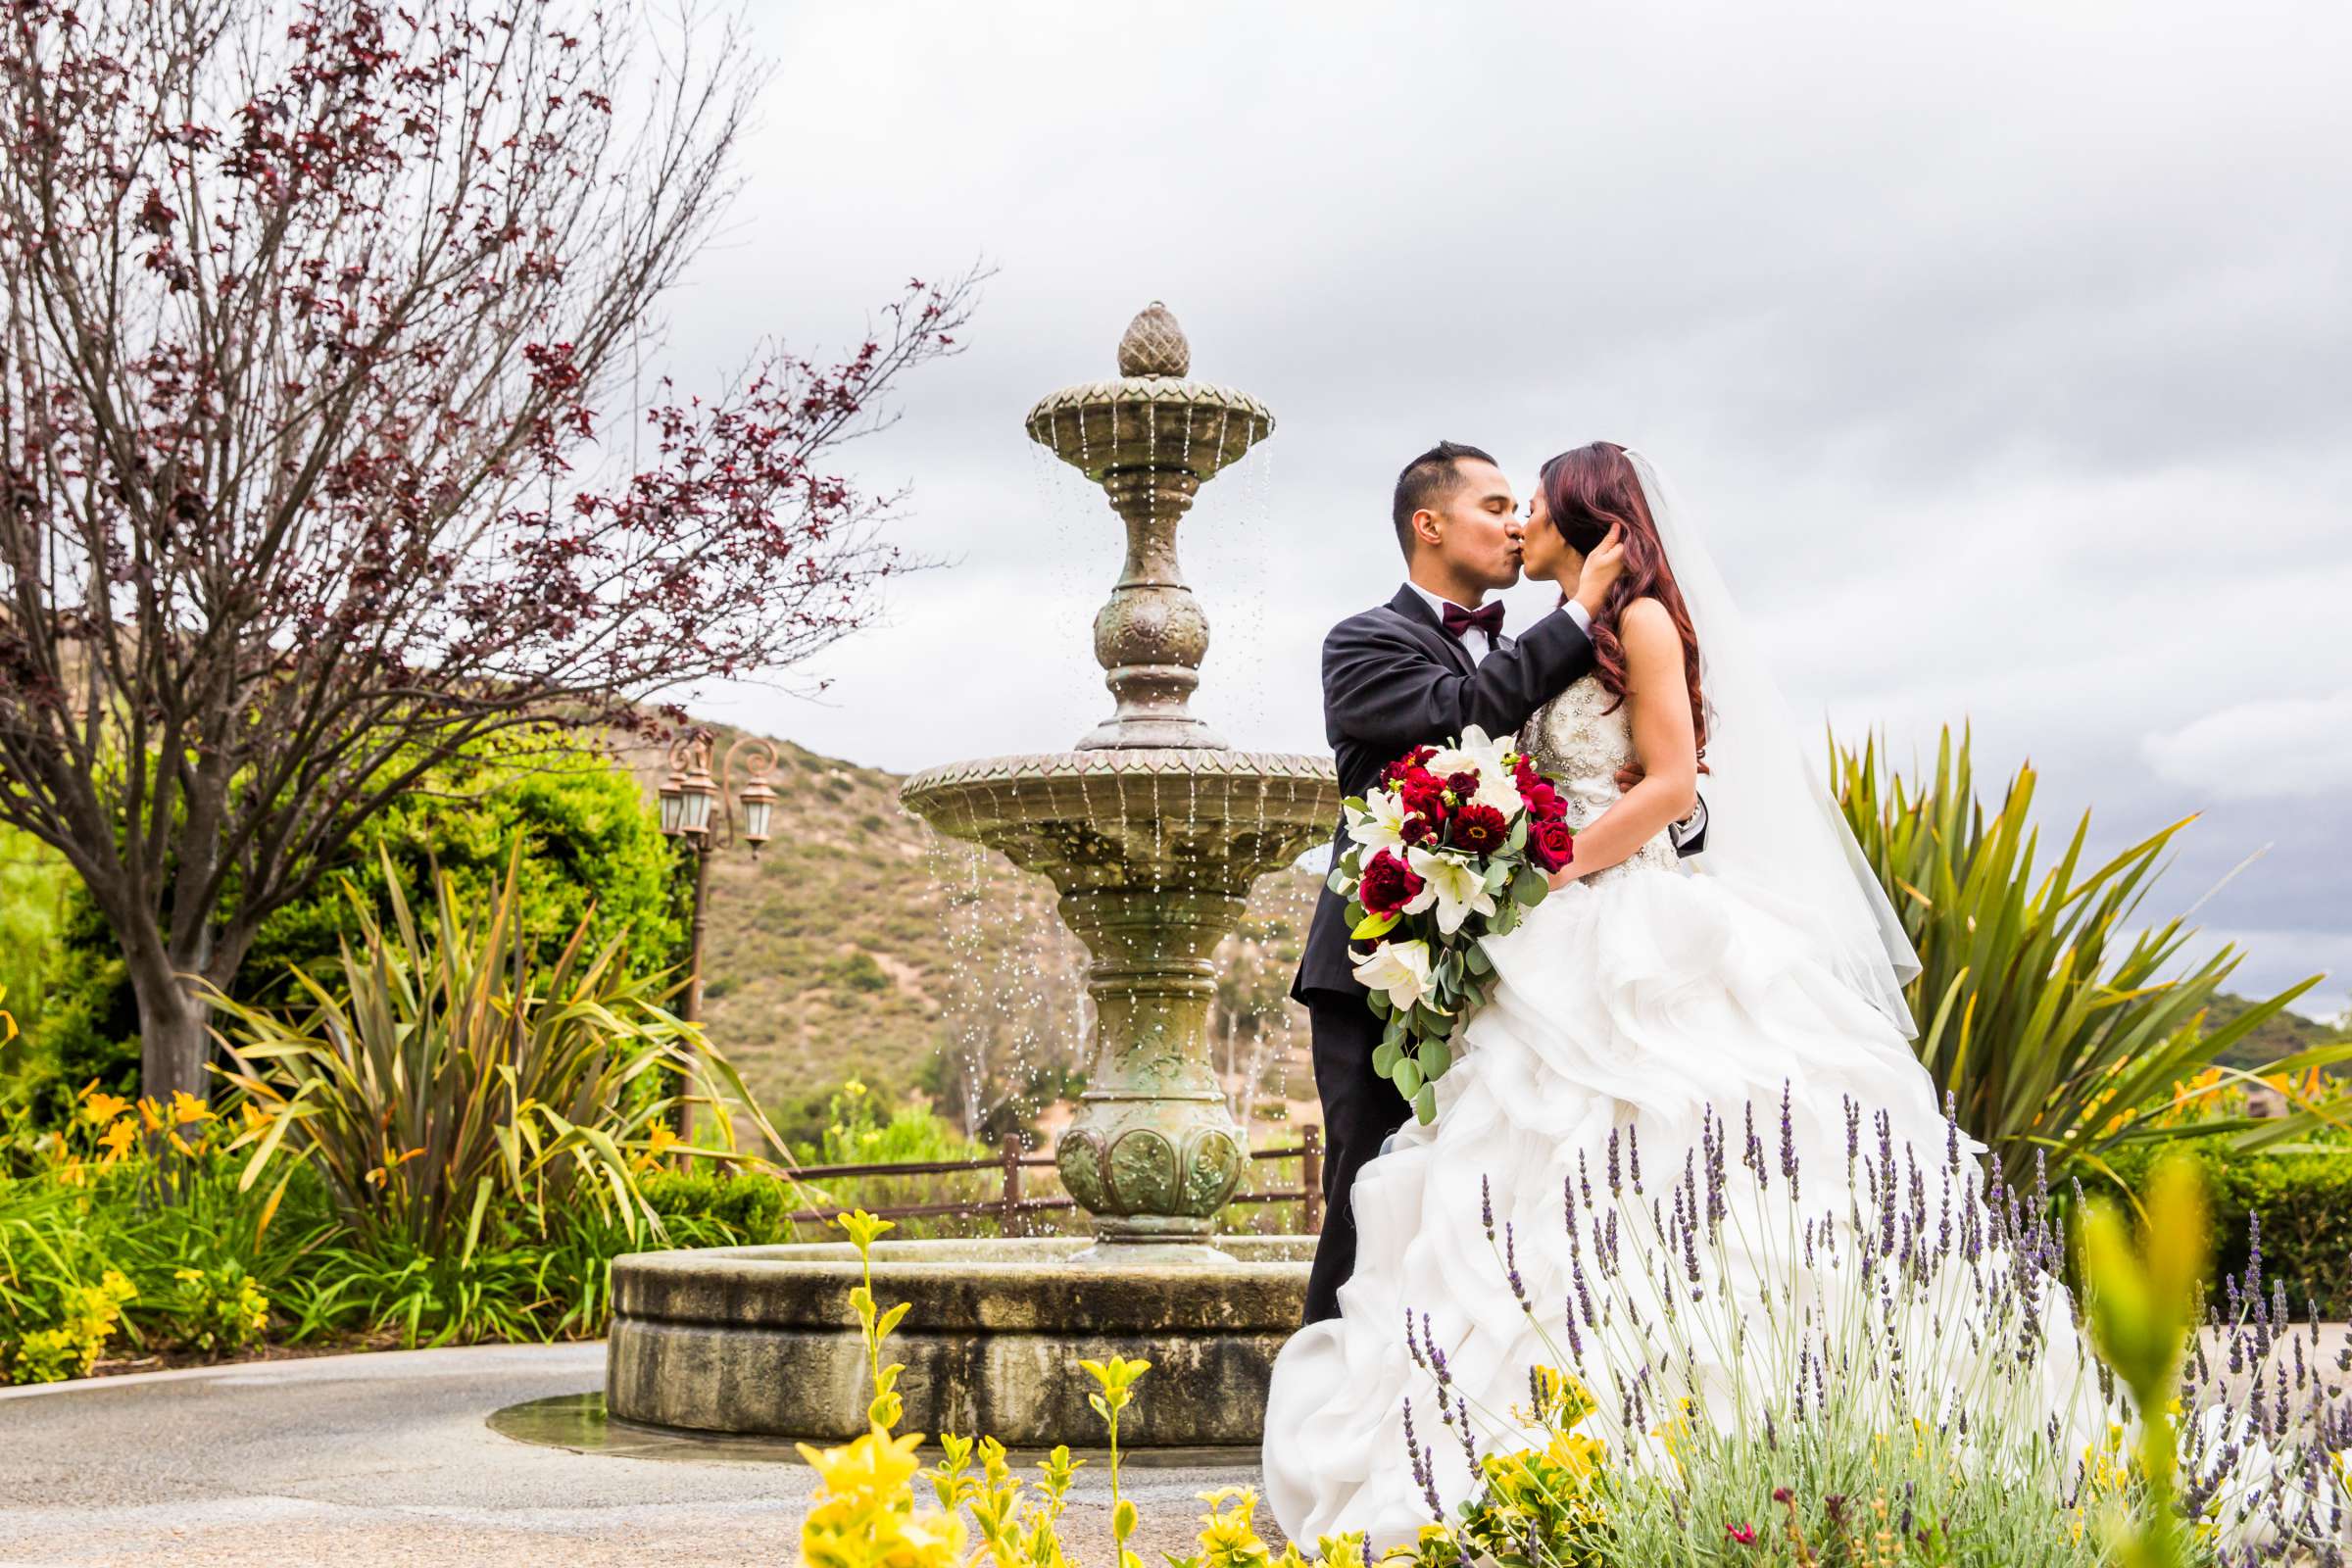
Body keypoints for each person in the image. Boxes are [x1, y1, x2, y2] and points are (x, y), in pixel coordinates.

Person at [1291, 441, 1705, 1326]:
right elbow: (1461, 716)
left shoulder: (1549, 649)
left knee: (1483, 1198)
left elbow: (1634, 768)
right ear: (1428, 524)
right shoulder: (1364, 641)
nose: (1517, 525)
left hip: (1518, 963)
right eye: (1494, 506)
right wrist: (1584, 604)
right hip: (1384, 966)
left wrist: (1657, 806)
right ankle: (1322, 1418)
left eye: (1526, 506)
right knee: (1370, 1195)